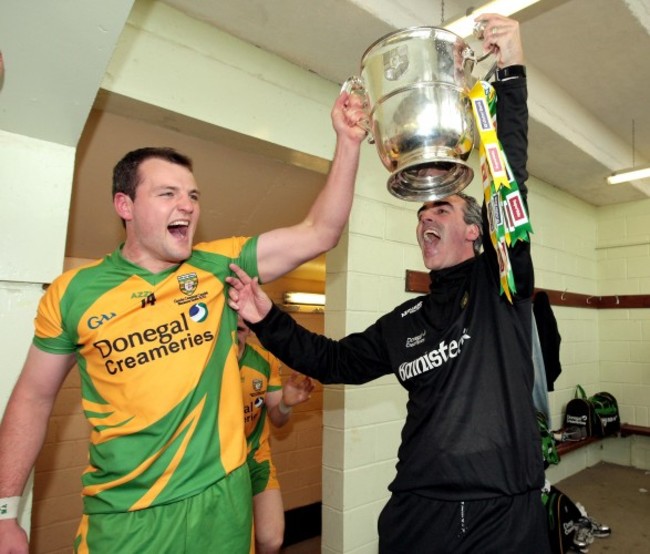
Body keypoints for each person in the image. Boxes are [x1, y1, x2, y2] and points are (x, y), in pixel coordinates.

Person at [227, 14, 551, 554]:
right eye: (420, 211)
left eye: (441, 207)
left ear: (476, 230)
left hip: (507, 514)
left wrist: (512, 71)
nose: (425, 218)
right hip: (419, 515)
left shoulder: (501, 285)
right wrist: (266, 318)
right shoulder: (408, 323)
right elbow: (331, 361)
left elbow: (509, 177)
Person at [0, 90, 367, 554]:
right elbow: (33, 397)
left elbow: (321, 232)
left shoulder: (217, 265)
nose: (188, 205)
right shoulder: (73, 293)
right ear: (124, 205)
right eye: (168, 193)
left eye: (193, 195)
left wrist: (348, 143)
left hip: (223, 505)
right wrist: (6, 510)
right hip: (127, 517)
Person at [237, 317, 314, 553]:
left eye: (239, 329)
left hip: (255, 456)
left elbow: (278, 420)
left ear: (248, 329)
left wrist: (286, 404)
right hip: (217, 462)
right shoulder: (205, 362)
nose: (233, 335)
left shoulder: (263, 360)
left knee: (271, 539)